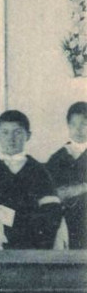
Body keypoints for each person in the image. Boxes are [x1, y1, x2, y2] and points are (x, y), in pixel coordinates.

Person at [0, 110, 62, 249]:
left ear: (28, 136)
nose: (11, 138)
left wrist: (13, 218)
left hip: (30, 243)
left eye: (17, 132)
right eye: (5, 133)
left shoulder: (39, 172)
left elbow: (51, 214)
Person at [45, 101, 87, 249]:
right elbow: (49, 190)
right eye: (73, 124)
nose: (78, 129)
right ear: (68, 126)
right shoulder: (57, 157)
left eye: (84, 124)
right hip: (66, 220)